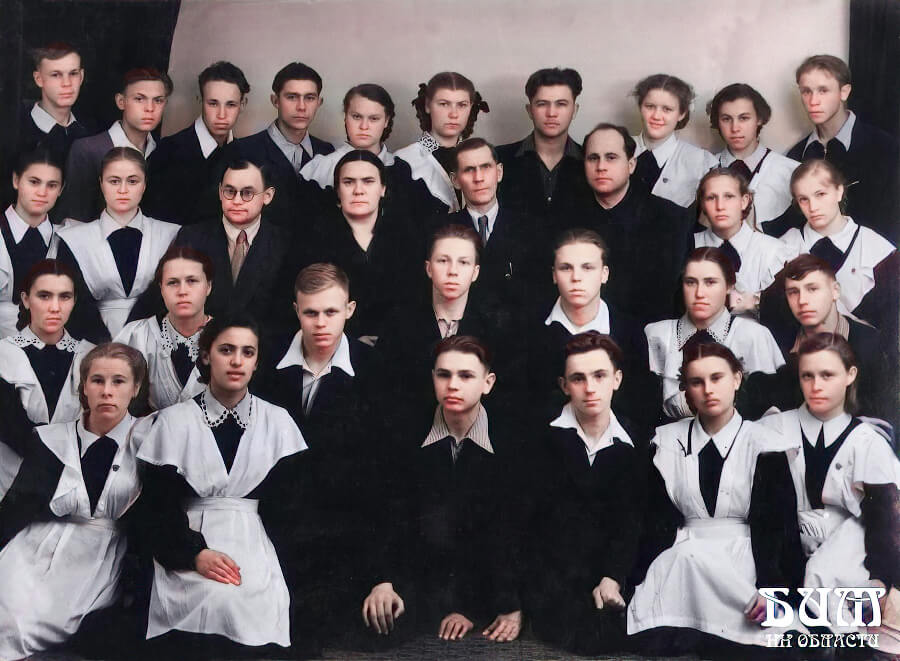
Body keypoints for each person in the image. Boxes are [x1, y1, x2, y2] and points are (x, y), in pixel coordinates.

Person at [135, 315, 308, 657]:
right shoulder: (174, 421)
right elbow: (156, 508)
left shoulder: (278, 422)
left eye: (247, 352)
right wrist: (194, 554)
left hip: (254, 545)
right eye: (226, 350)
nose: (236, 361)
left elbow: (292, 510)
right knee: (211, 599)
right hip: (188, 544)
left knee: (249, 602)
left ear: (256, 362)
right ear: (206, 355)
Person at [628, 341, 802, 655]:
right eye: (697, 382)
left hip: (743, 560)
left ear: (736, 379)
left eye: (717, 378)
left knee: (770, 641)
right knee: (655, 619)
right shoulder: (666, 442)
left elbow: (778, 528)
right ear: (687, 391)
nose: (708, 390)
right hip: (685, 561)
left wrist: (774, 590)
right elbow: (653, 523)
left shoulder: (764, 443)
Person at [362, 336, 522, 644]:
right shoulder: (404, 436)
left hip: (485, 587)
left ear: (488, 383)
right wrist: (383, 581)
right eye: (443, 374)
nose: (452, 385)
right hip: (420, 581)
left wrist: (473, 608)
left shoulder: (511, 445)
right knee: (375, 632)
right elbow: (387, 519)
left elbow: (508, 537)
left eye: (466, 376)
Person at [256, 263, 382, 647]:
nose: (321, 323)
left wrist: (380, 572)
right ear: (296, 310)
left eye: (331, 311)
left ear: (350, 309)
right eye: (310, 312)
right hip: (274, 518)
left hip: (342, 525)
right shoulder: (266, 361)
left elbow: (383, 475)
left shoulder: (373, 369)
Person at [0, 342, 152, 660]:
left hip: (97, 556)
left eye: (118, 381)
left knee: (26, 625)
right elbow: (16, 508)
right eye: (97, 380)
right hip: (36, 547)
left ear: (136, 388)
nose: (107, 391)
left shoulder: (149, 440)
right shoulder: (52, 439)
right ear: (84, 387)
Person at [759, 334, 900, 642]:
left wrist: (881, 577)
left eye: (827, 375)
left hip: (852, 541)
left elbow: (885, 519)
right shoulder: (774, 428)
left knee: (825, 578)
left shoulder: (867, 441)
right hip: (791, 537)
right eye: (807, 376)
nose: (816, 386)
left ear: (850, 375)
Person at [524, 332, 642, 655]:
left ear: (617, 379)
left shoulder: (635, 441)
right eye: (578, 378)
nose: (590, 388)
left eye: (599, 376)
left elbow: (631, 521)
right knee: (580, 636)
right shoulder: (540, 439)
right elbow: (523, 524)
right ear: (564, 385)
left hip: (611, 574)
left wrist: (613, 576)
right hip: (554, 577)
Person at [377, 224, 523, 427]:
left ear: (475, 272)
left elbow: (509, 399)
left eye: (463, 262)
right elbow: (386, 394)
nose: (452, 271)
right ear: (429, 268)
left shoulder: (499, 326)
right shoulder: (399, 324)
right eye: (443, 261)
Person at [528, 228, 654, 435]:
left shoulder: (630, 331)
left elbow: (640, 405)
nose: (576, 277)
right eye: (566, 268)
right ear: (554, 275)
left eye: (587, 267)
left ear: (604, 274)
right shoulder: (529, 330)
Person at [645, 247, 785, 421]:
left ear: (729, 286)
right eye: (691, 282)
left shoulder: (753, 335)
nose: (699, 293)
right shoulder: (656, 334)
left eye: (710, 282)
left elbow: (768, 412)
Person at [53, 147, 179, 338]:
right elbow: (75, 304)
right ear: (101, 183)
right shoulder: (73, 239)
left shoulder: (170, 234)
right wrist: (105, 347)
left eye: (132, 181)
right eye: (114, 181)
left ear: (144, 184)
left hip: (156, 337)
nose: (123, 190)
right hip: (93, 341)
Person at [575, 123, 693, 326]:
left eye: (611, 157)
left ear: (631, 165)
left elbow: (678, 299)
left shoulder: (672, 220)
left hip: (650, 335)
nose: (601, 166)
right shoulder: (566, 218)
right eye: (593, 158)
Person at [0, 259, 94, 502]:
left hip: (75, 485)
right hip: (9, 486)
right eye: (44, 296)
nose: (55, 307)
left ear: (74, 301)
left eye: (64, 297)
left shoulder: (92, 356)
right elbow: (13, 432)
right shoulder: (3, 354)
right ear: (25, 299)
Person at [771, 255, 897, 428]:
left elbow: (885, 418)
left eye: (812, 289)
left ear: (835, 291)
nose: (802, 301)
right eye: (793, 292)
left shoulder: (872, 343)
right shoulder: (780, 348)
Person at [171, 158, 296, 333]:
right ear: (220, 192)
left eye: (247, 193)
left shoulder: (285, 245)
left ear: (267, 196)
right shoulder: (192, 237)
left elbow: (284, 316)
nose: (237, 201)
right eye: (230, 191)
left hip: (260, 344)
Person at [786, 55, 899, 243]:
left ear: (844, 92)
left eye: (823, 90)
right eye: (806, 91)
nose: (813, 101)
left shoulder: (886, 148)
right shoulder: (795, 156)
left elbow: (892, 225)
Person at [309, 150, 418, 342]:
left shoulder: (407, 237)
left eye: (368, 181)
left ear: (383, 189)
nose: (358, 190)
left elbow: (415, 302)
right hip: (336, 344)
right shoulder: (314, 239)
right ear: (337, 190)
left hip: (398, 345)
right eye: (348, 182)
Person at [781, 158, 898, 335]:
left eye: (820, 194)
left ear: (839, 191)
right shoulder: (784, 247)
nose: (813, 207)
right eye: (804, 199)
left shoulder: (878, 250)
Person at [432, 137, 549, 304]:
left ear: (499, 172)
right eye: (469, 170)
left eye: (485, 167)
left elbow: (539, 296)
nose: (479, 178)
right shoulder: (439, 231)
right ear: (455, 180)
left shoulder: (530, 229)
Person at [57, 67, 172, 222]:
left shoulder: (162, 151)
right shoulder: (88, 149)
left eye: (158, 100)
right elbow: (74, 217)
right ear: (121, 102)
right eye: (139, 99)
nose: (150, 108)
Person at [227, 62, 333, 230]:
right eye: (292, 97)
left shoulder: (327, 152)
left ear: (319, 102)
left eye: (309, 98)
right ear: (275, 100)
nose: (301, 107)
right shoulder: (242, 151)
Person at [144, 61, 250, 226]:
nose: (222, 115)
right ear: (200, 100)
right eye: (213, 103)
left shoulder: (246, 154)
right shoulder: (168, 151)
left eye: (231, 104)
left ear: (242, 104)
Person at [114, 245, 213, 411]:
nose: (182, 291)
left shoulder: (230, 336)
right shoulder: (136, 335)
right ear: (161, 289)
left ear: (208, 286)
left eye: (192, 281)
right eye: (172, 283)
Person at [5, 42, 93, 212]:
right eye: (56, 75)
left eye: (73, 73)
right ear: (39, 79)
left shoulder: (91, 131)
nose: (67, 83)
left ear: (81, 76)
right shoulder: (14, 131)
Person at [300, 83, 413, 216]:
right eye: (357, 117)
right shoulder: (321, 167)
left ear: (386, 121)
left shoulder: (402, 169)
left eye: (374, 118)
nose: (364, 126)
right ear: (346, 117)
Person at [496, 67, 588, 229]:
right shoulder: (499, 158)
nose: (551, 113)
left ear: (574, 110)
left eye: (561, 104)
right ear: (530, 110)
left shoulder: (592, 163)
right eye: (542, 104)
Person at [691, 168, 792, 313]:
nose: (720, 206)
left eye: (729, 196)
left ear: (744, 201)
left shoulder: (774, 251)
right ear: (702, 204)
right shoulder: (688, 246)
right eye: (711, 198)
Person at [707, 83, 801, 236]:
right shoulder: (705, 169)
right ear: (717, 122)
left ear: (759, 119)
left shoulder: (791, 172)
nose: (735, 128)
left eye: (744, 118)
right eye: (726, 119)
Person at [394, 71, 489, 216]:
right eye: (444, 104)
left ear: (471, 107)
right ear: (427, 105)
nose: (454, 114)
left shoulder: (483, 158)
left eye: (462, 105)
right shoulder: (403, 160)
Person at [1, 149, 66, 337]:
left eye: (52, 185)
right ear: (16, 180)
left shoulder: (68, 237)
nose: (42, 193)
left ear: (61, 189)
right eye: (34, 182)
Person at [630, 73, 717, 208]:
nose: (656, 116)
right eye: (650, 106)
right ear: (640, 107)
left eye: (667, 109)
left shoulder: (700, 162)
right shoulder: (617, 148)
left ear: (681, 114)